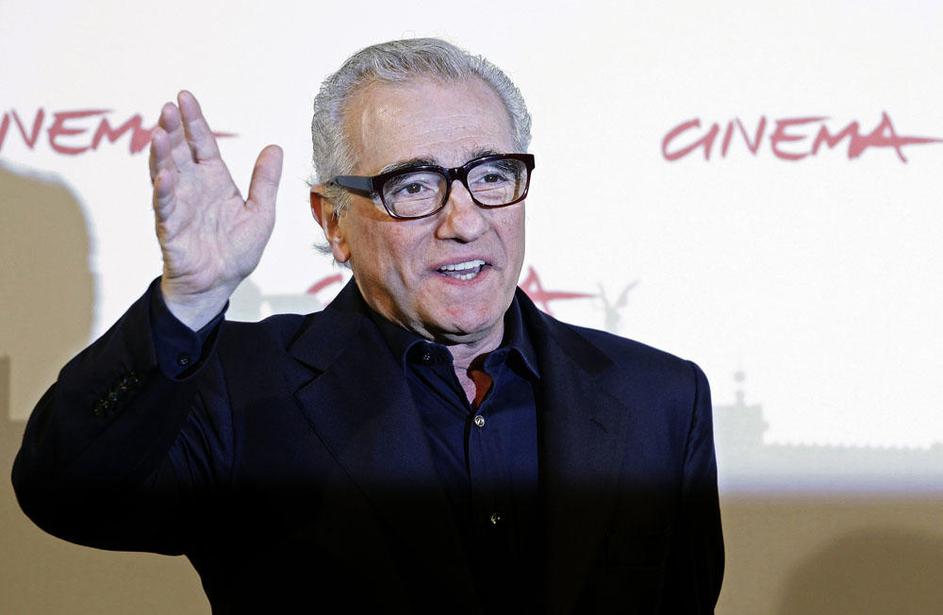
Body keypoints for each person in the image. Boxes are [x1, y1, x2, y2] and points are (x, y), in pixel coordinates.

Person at [12, 38, 723, 613]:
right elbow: (68, 493)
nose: (464, 221)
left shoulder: (659, 398)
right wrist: (191, 300)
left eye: (491, 176)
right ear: (334, 222)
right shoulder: (240, 387)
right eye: (412, 186)